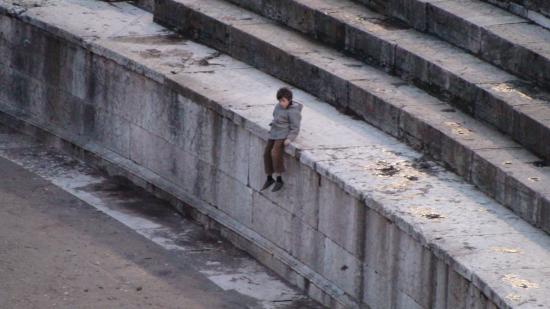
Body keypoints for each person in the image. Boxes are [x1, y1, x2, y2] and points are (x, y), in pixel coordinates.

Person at [261, 87, 303, 192]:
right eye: (280, 101)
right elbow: (275, 116)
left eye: (283, 101)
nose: (281, 103)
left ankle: (279, 179)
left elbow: (295, 128)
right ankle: (269, 177)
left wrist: (289, 139)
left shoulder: (293, 112)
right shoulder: (278, 107)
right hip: (274, 132)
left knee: (275, 153)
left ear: (289, 100)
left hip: (283, 134)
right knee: (266, 153)